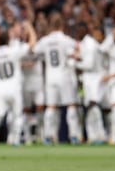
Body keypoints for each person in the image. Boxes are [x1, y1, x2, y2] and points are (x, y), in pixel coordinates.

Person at [0, 21, 36, 146]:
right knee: (17, 115)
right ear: (8, 40)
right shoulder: (14, 51)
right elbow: (31, 44)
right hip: (14, 89)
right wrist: (30, 28)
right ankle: (16, 140)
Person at [33, 13, 81, 145]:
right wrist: (74, 55)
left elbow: (35, 50)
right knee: (71, 105)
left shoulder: (45, 40)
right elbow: (78, 46)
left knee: (51, 107)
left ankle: (48, 136)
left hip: (50, 76)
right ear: (62, 25)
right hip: (64, 75)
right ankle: (74, 136)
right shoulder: (65, 39)